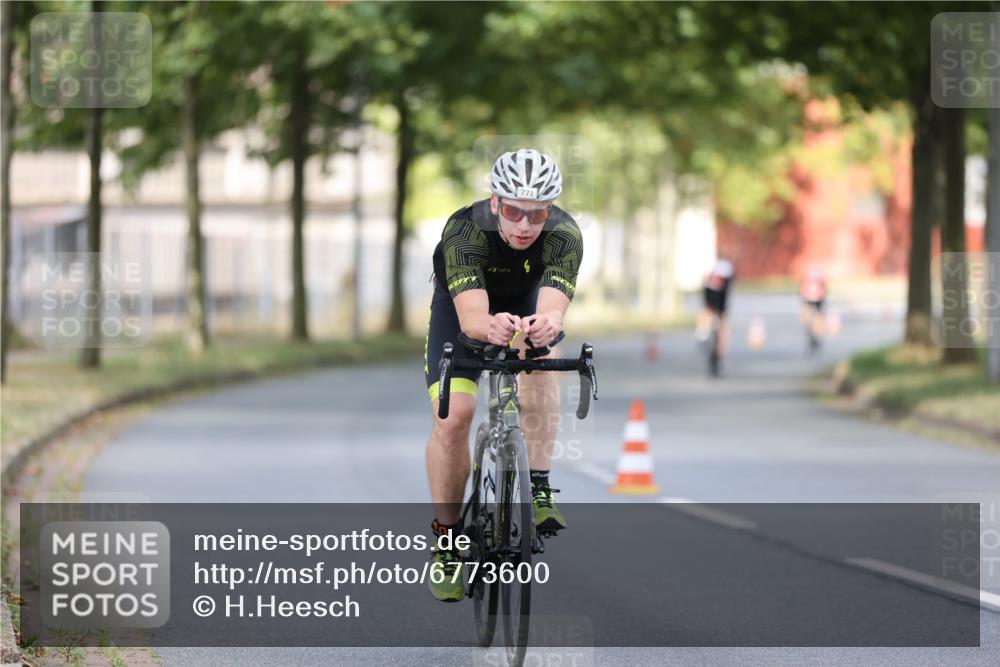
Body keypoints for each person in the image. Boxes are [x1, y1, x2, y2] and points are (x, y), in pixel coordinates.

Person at [423, 148, 583, 602]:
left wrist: (547, 324)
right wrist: (488, 327)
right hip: (462, 311)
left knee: (541, 355)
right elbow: (474, 318)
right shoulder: (465, 230)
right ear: (496, 202)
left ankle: (538, 484)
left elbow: (552, 306)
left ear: (550, 210)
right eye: (514, 211)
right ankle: (448, 545)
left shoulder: (565, 235)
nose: (525, 225)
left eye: (537, 214)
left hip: (526, 302)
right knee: (453, 418)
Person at [695, 258, 735, 360]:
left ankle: (703, 334)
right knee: (719, 318)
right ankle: (707, 336)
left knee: (708, 312)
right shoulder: (727, 267)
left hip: (712, 291)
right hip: (717, 291)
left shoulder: (718, 266)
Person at [800, 264, 827, 348]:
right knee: (819, 314)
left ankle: (808, 326)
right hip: (818, 295)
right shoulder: (819, 274)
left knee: (808, 312)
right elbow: (823, 284)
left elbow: (803, 283)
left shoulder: (808, 274)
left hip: (809, 295)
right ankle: (817, 330)